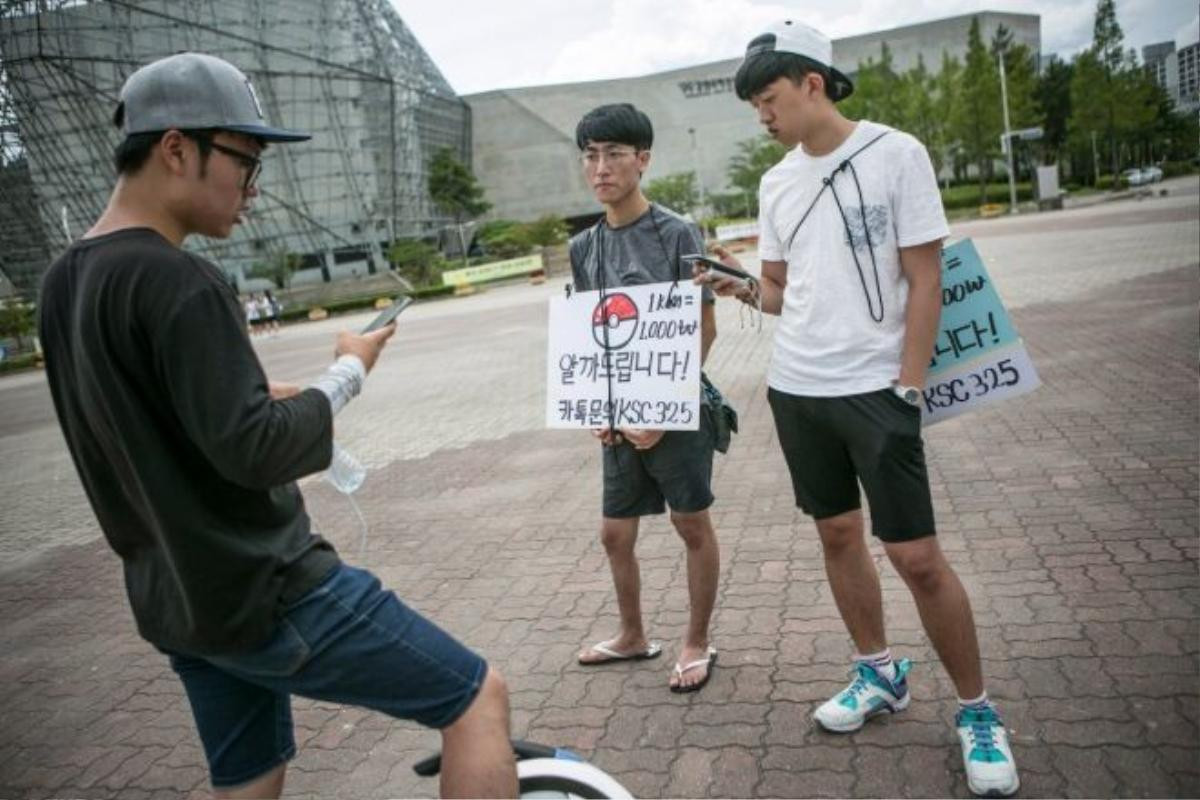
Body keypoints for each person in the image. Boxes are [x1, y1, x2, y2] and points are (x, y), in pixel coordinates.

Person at [37, 52, 516, 799]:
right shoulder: (178, 277)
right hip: (268, 588)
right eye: (244, 161)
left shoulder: (65, 279)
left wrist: (251, 394)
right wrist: (348, 370)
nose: (252, 190)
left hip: (179, 603)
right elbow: (257, 449)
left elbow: (138, 418)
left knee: (250, 776)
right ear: (175, 148)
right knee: (476, 698)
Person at [698, 21, 1020, 797]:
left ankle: (978, 712)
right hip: (798, 389)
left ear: (813, 84)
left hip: (878, 391)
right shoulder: (776, 184)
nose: (762, 117)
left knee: (916, 557)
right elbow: (780, 294)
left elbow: (927, 280)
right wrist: (737, 284)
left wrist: (908, 386)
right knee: (837, 533)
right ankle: (879, 674)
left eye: (768, 100)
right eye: (753, 106)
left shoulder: (896, 153)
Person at [569, 103, 721, 693]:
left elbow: (702, 329)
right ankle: (632, 635)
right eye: (590, 155)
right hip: (618, 412)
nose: (600, 167)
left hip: (677, 408)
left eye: (613, 154)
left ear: (643, 160)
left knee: (690, 523)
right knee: (615, 532)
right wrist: (596, 405)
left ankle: (696, 640)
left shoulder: (677, 232)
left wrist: (663, 408)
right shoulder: (584, 248)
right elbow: (589, 333)